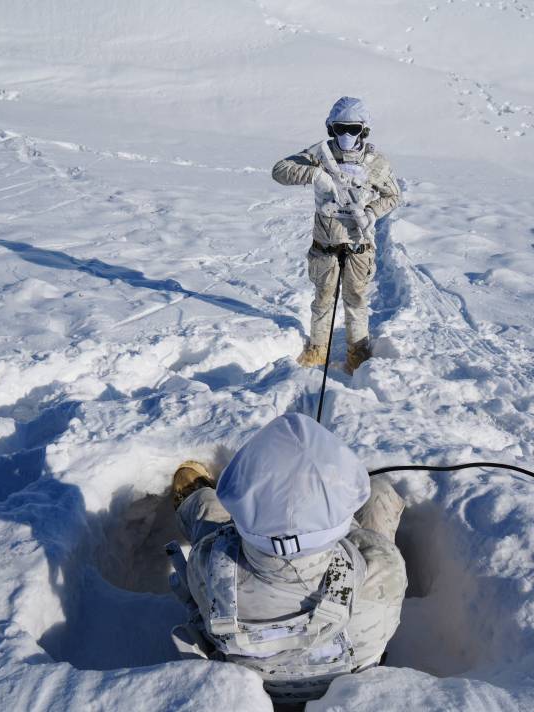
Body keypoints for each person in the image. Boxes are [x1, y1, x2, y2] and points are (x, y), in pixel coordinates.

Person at [167, 413, 408, 706]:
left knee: (208, 507)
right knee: (379, 495)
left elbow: (215, 555)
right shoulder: (383, 566)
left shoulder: (207, 562)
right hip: (345, 687)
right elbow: (366, 547)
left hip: (251, 680)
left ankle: (194, 499)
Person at [272, 97, 401, 374]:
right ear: (331, 128)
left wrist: (371, 211)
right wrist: (315, 174)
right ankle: (317, 352)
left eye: (353, 129)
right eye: (341, 128)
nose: (346, 135)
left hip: (358, 247)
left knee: (356, 301)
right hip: (325, 247)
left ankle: (358, 356)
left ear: (364, 130)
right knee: (323, 300)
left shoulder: (376, 163)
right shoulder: (319, 155)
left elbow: (393, 195)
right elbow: (280, 171)